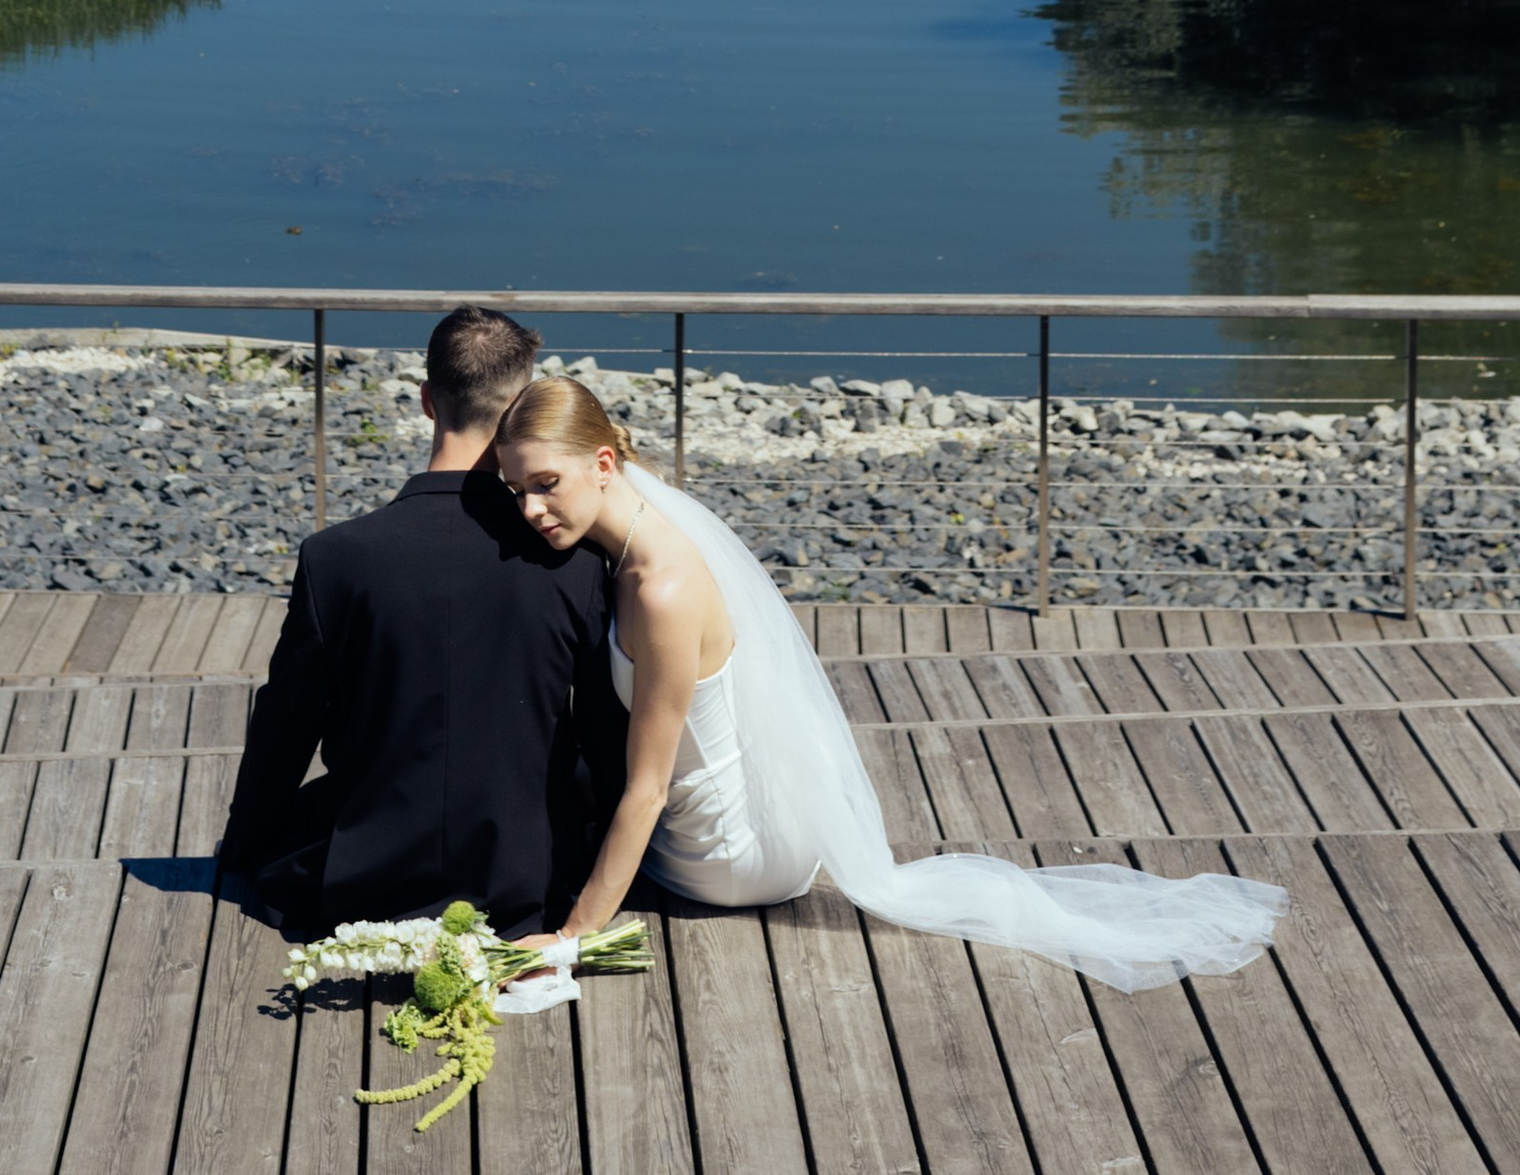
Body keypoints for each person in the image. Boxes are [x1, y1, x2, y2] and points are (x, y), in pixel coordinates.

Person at [493, 378, 1287, 997]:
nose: (529, 509)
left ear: (603, 462)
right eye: (514, 488)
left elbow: (651, 785)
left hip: (729, 859)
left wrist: (573, 933)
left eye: (546, 484)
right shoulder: (646, 514)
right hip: (770, 818)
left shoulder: (660, 588)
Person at [216, 307, 619, 938]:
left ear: (428, 400)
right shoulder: (576, 562)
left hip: (365, 877)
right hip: (529, 879)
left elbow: (285, 726)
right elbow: (606, 735)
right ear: (522, 406)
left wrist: (243, 846)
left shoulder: (336, 557)